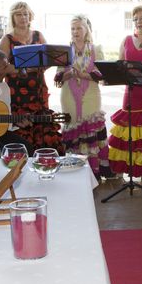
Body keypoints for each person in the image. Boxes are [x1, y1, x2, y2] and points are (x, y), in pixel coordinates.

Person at [0, 1, 62, 152]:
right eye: (18, 14)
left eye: (25, 14)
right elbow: (1, 67)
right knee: (22, 132)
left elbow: (49, 59)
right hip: (17, 93)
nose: (23, 17)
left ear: (30, 16)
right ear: (13, 17)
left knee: (43, 129)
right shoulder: (7, 39)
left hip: (38, 91)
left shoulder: (38, 35)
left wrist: (43, 65)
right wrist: (23, 69)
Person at [108, 5, 142, 179]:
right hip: (130, 94)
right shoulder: (126, 40)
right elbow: (119, 66)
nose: (139, 22)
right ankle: (128, 172)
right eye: (136, 19)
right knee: (128, 133)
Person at [54, 15, 111, 177]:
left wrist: (83, 75)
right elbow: (58, 77)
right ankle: (75, 171)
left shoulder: (96, 49)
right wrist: (68, 74)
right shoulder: (64, 50)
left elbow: (101, 74)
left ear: (87, 30)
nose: (75, 31)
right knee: (73, 126)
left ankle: (94, 172)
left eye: (79, 28)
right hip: (68, 95)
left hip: (91, 94)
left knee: (90, 128)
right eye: (73, 28)